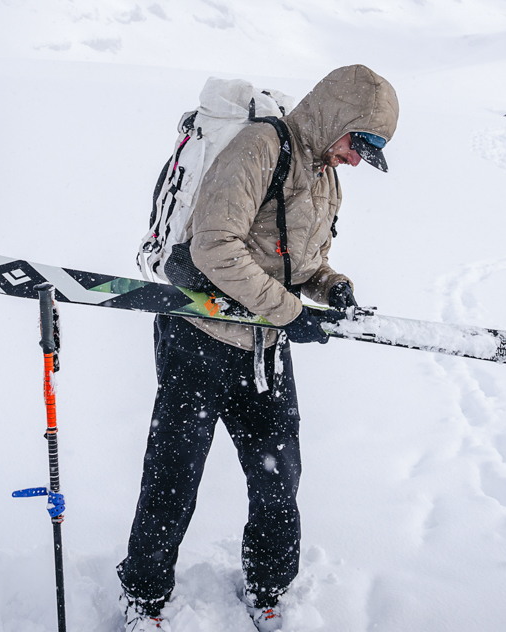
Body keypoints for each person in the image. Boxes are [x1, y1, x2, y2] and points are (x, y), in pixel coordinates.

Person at [118, 64, 399, 631]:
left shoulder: (324, 175)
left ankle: (269, 587)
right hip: (199, 336)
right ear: (336, 117)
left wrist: (329, 284)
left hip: (264, 344)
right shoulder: (259, 147)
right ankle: (144, 598)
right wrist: (291, 311)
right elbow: (214, 246)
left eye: (369, 151)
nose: (355, 159)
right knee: (174, 477)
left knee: (278, 477)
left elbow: (301, 259)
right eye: (358, 142)